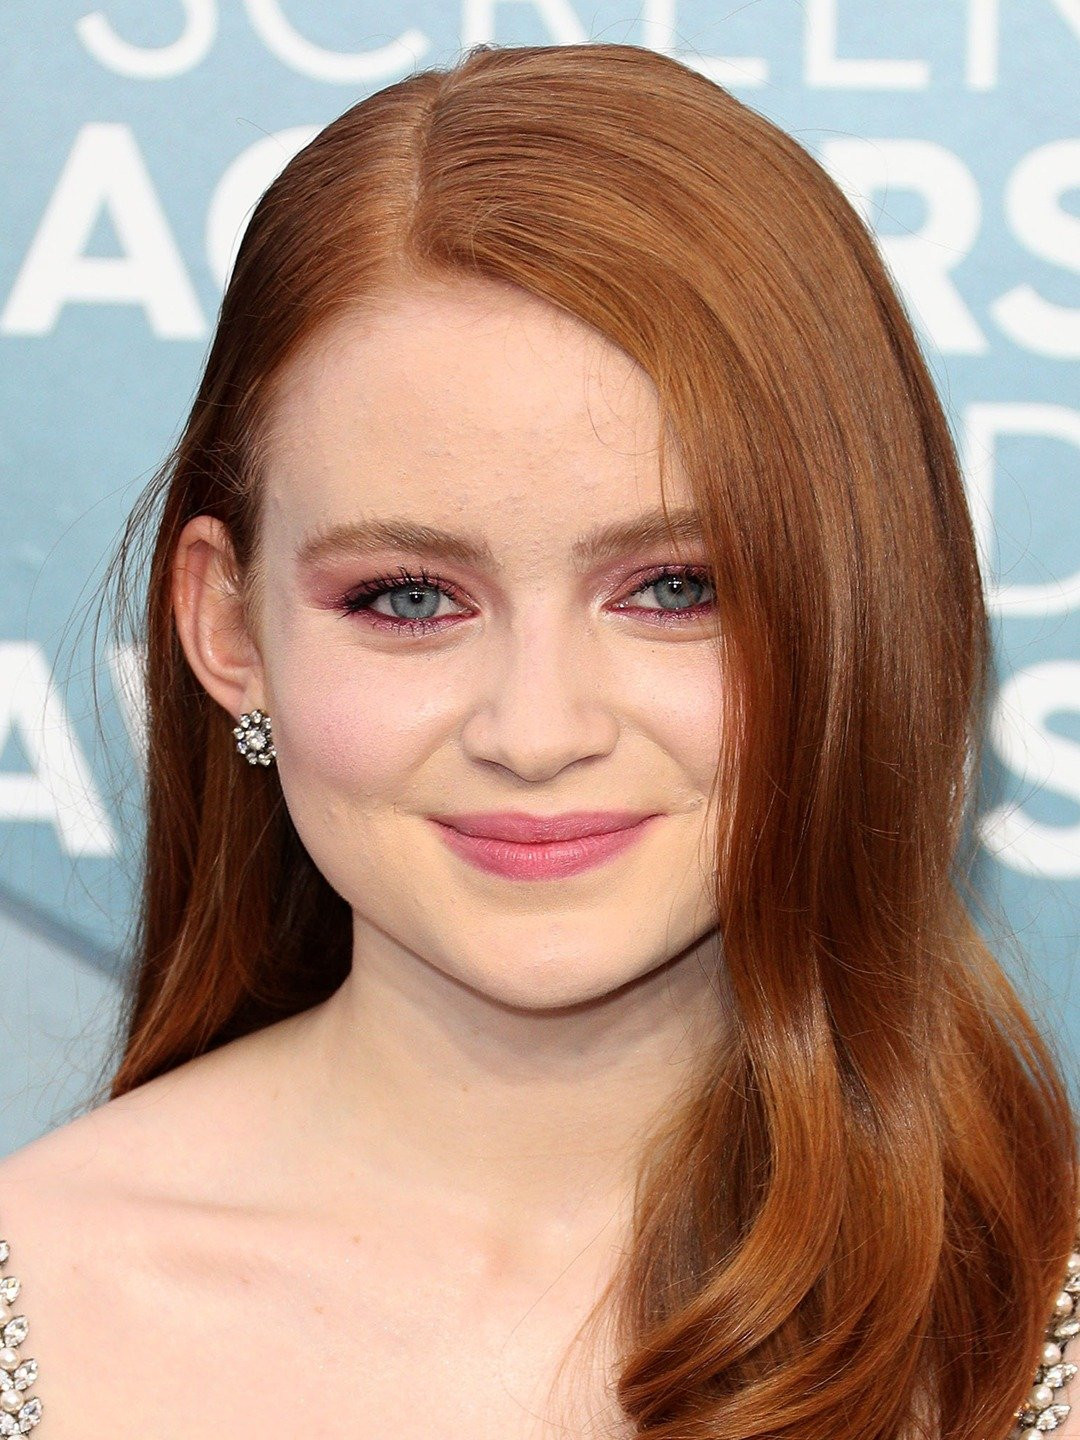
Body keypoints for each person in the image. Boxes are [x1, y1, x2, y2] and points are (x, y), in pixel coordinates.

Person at [0, 40, 1076, 1440]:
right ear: (227, 626)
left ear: (869, 608)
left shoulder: (1039, 1319)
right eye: (409, 598)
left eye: (676, 589)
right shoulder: (38, 1292)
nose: (538, 730)